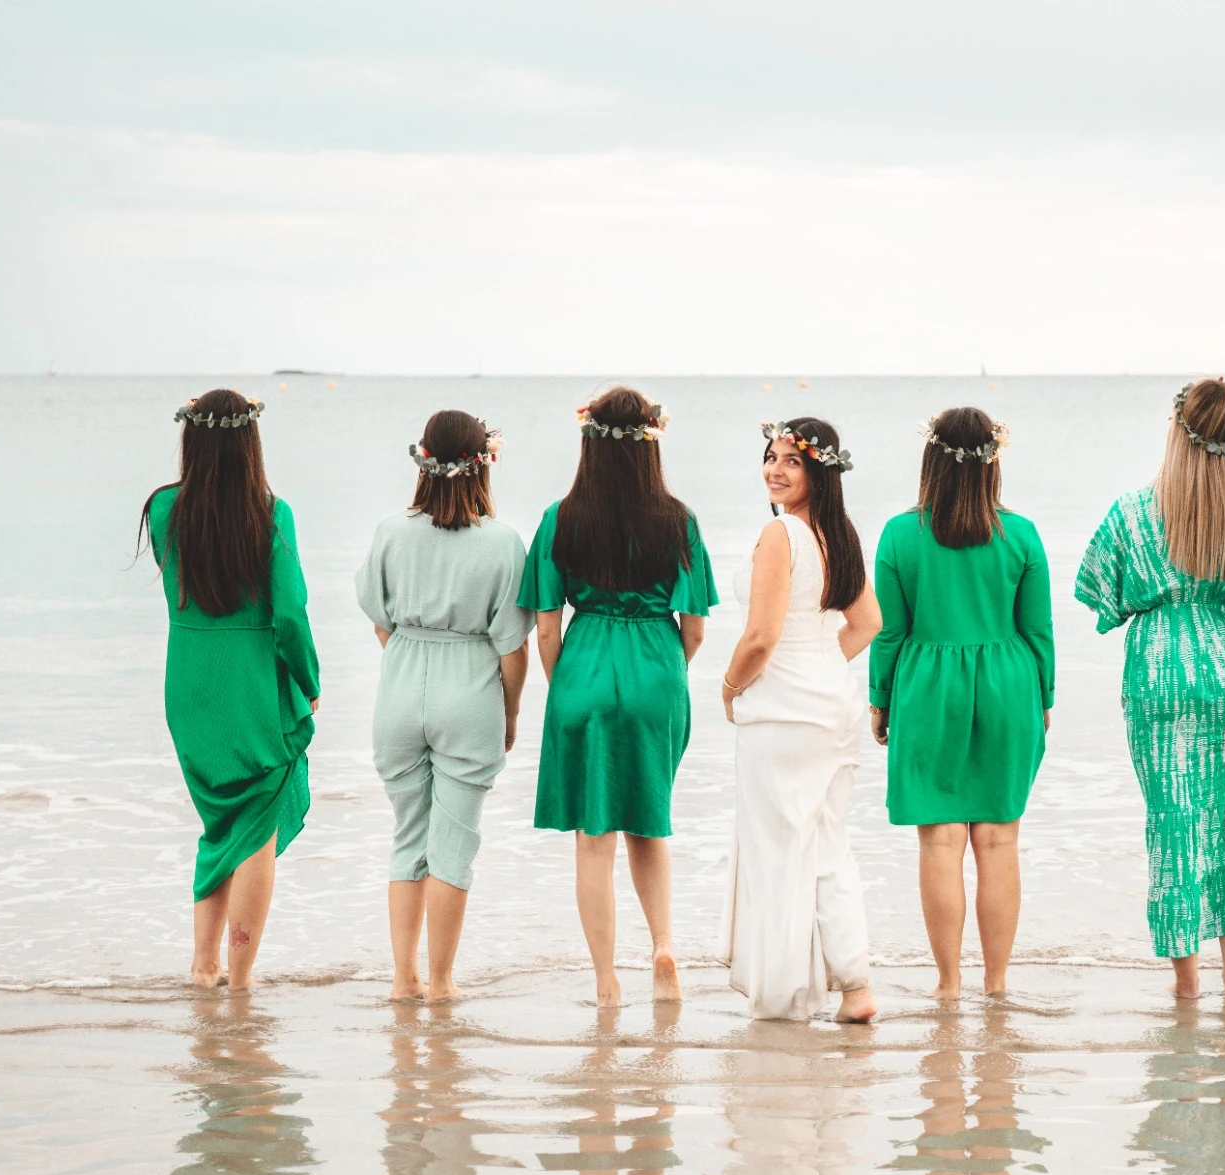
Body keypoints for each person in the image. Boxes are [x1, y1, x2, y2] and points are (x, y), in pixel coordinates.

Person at [1075, 379, 1225, 998]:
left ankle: (1186, 985)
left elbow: (1100, 595)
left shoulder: (1131, 511)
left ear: (1176, 431)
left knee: (1174, 823)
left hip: (1158, 678)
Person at [519, 387, 717, 1008]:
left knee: (593, 836)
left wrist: (567, 685)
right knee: (648, 824)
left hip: (584, 665)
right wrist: (662, 677)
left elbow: (545, 623)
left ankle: (606, 981)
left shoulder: (561, 516)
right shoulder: (678, 519)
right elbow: (696, 626)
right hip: (656, 668)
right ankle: (663, 945)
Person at [868, 407, 1054, 1000]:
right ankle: (995, 985)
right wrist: (1044, 696)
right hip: (1009, 685)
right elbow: (1039, 629)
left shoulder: (900, 534)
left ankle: (948, 985)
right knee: (999, 840)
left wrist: (880, 698)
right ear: (992, 462)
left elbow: (888, 631)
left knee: (940, 841)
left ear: (931, 459)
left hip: (926, 687)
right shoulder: (1020, 534)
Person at [138, 389, 319, 990]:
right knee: (256, 829)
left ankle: (202, 965)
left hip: (189, 683)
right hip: (248, 685)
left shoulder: (163, 510)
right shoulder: (270, 514)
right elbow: (290, 612)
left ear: (190, 437)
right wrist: (309, 680)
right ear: (250, 444)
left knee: (221, 825)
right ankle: (239, 978)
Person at [355, 411, 531, 1002]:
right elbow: (512, 646)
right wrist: (508, 714)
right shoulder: (503, 542)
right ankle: (441, 982)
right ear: (486, 462)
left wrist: (409, 652)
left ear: (423, 457)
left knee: (409, 836)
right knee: (453, 842)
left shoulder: (391, 532)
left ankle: (402, 979)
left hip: (402, 683)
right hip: (470, 687)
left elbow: (379, 616)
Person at [719, 419, 883, 1023]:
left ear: (820, 471)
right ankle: (856, 988)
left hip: (784, 714)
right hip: (831, 706)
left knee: (780, 851)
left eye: (792, 460)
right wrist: (817, 666)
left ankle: (786, 999)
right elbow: (867, 623)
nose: (776, 469)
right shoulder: (838, 533)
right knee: (827, 846)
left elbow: (760, 636)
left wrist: (731, 687)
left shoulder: (780, 533)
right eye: (771, 456)